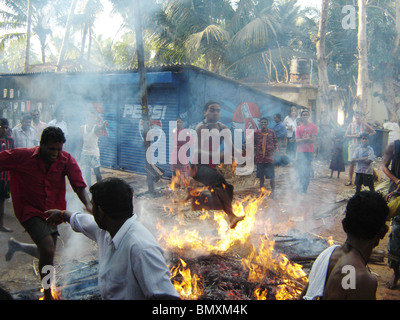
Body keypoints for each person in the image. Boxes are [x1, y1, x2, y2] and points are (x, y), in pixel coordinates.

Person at [46, 177, 180, 300]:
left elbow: (166, 297)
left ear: (100, 211)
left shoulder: (140, 248)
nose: (90, 210)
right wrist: (63, 215)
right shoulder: (107, 230)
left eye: (92, 205)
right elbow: (84, 222)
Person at [3, 127, 91, 300]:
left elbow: (78, 184)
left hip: (53, 214)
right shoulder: (22, 156)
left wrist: (88, 204)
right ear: (41, 145)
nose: (56, 153)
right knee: (48, 249)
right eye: (51, 149)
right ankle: (48, 293)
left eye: (59, 149)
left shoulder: (66, 160)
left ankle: (17, 246)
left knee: (47, 252)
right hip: (29, 210)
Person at [299, 191, 389, 300]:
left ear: (344, 225)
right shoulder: (362, 279)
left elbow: (304, 295)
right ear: (383, 232)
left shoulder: (327, 254)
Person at [191, 100, 243, 229]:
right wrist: (217, 156)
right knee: (219, 181)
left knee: (228, 189)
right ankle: (231, 216)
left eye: (218, 110)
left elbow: (231, 148)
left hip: (211, 167)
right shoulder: (201, 127)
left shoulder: (223, 128)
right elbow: (196, 151)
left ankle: (207, 204)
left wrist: (241, 153)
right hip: (198, 166)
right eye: (211, 110)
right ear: (205, 112)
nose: (215, 113)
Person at [382, 138, 400, 289]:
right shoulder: (394, 146)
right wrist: (396, 181)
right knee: (396, 232)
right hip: (397, 195)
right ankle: (395, 272)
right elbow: (384, 166)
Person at [344, 111, 376, 186]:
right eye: (356, 116)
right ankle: (350, 180)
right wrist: (355, 136)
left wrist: (365, 136)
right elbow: (346, 135)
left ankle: (363, 179)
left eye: (359, 116)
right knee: (351, 163)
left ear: (362, 117)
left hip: (362, 146)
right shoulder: (351, 125)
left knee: (364, 162)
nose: (358, 117)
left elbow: (373, 132)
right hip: (353, 145)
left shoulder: (364, 125)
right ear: (354, 116)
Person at [78, 110, 109, 186]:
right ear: (87, 118)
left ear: (95, 119)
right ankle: (89, 187)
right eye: (89, 117)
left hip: (94, 154)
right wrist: (78, 152)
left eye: (92, 118)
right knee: (87, 172)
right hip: (85, 153)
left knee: (97, 172)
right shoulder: (82, 128)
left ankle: (100, 188)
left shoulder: (96, 127)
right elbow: (80, 141)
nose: (91, 119)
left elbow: (101, 126)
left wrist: (104, 124)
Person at [254, 117, 278, 197]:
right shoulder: (256, 133)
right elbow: (253, 143)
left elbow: (276, 143)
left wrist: (275, 151)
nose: (263, 124)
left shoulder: (271, 132)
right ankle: (261, 191)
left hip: (269, 158)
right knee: (261, 176)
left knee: (272, 176)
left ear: (267, 124)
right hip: (260, 158)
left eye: (265, 122)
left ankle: (273, 191)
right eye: (262, 123)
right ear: (260, 124)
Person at [295, 110, 318, 194]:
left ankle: (305, 189)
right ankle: (300, 188)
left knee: (307, 170)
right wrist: (308, 139)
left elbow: (314, 140)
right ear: (301, 117)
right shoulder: (298, 128)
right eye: (303, 115)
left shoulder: (313, 126)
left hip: (309, 151)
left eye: (306, 115)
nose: (305, 116)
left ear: (309, 116)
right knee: (300, 170)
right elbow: (297, 141)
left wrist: (302, 140)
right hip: (300, 152)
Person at [0, 119, 14, 232]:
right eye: (2, 127)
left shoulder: (10, 140)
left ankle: (1, 225)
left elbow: (13, 156)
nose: (4, 130)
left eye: (6, 127)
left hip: (4, 176)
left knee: (2, 201)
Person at [170, 117, 191, 184]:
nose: (178, 123)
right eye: (177, 122)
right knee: (174, 167)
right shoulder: (174, 130)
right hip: (175, 151)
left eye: (180, 122)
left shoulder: (185, 131)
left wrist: (185, 148)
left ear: (182, 123)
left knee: (183, 168)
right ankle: (175, 183)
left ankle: (184, 183)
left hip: (182, 151)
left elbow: (189, 141)